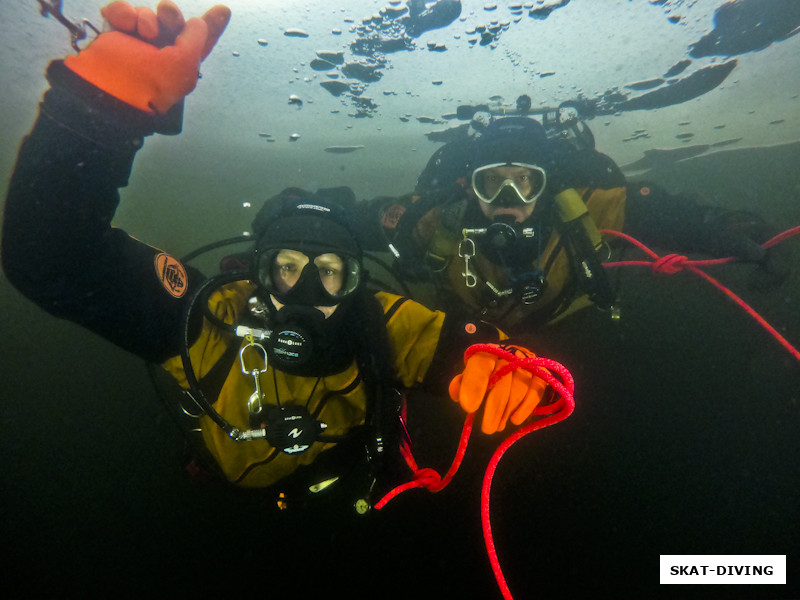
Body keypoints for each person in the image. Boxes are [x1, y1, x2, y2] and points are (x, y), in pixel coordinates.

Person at [1, 1, 559, 508]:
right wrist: (98, 112)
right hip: (227, 488)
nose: (309, 291)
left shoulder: (378, 324)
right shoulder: (211, 320)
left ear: (358, 280)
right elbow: (49, 255)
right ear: (257, 274)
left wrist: (499, 357)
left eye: (332, 272)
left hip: (346, 497)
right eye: (287, 269)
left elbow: (455, 344)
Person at [369, 115, 791, 331]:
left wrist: (748, 234)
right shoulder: (435, 219)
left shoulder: (588, 208)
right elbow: (365, 218)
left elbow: (674, 215)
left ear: (546, 186)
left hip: (567, 327)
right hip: (465, 335)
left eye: (525, 182)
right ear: (469, 187)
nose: (508, 200)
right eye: (491, 183)